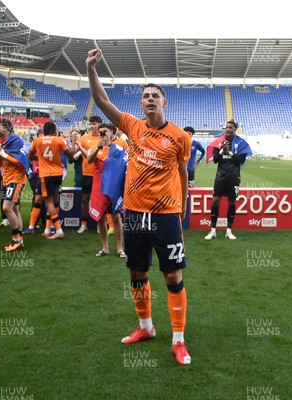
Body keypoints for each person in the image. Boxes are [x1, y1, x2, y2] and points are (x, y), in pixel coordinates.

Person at [86, 48, 192, 365]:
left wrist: (182, 210)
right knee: (137, 271)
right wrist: (91, 69)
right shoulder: (133, 126)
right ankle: (146, 327)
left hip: (166, 216)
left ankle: (179, 340)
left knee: (172, 276)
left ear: (164, 102)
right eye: (145, 96)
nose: (148, 100)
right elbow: (103, 100)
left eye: (154, 96)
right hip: (134, 214)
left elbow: (184, 173)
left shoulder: (179, 137)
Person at [80, 122, 127, 258]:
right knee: (100, 217)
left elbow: (126, 164)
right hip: (99, 186)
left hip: (113, 187)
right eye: (101, 132)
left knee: (116, 217)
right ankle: (105, 247)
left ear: (112, 133)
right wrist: (98, 148)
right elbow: (89, 160)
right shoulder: (95, 147)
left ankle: (119, 248)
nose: (102, 134)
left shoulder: (119, 147)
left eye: (105, 131)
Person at [29, 121, 78, 240]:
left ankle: (58, 230)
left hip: (46, 175)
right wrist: (73, 141)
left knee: (48, 202)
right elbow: (71, 154)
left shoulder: (37, 141)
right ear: (54, 131)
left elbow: (30, 156)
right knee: (55, 200)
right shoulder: (59, 139)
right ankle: (47, 229)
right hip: (58, 173)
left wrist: (41, 158)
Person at [204, 120, 252, 240]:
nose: (228, 129)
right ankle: (213, 230)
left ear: (235, 129)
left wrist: (229, 152)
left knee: (232, 202)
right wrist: (221, 150)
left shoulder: (241, 143)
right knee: (215, 201)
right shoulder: (218, 142)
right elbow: (215, 160)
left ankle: (229, 231)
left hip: (234, 177)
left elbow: (241, 159)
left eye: (230, 127)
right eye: (226, 127)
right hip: (220, 177)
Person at [0, 118, 30, 251]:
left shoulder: (16, 141)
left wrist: (3, 153)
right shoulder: (0, 143)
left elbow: (21, 162)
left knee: (6, 207)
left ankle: (15, 239)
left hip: (16, 179)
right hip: (6, 179)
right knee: (15, 209)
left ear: (6, 128)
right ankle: (20, 239)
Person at [76, 116, 102, 233]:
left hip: (100, 173)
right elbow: (76, 149)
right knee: (85, 198)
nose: (92, 126)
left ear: (100, 125)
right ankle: (83, 224)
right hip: (87, 172)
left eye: (94, 124)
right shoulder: (84, 137)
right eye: (91, 124)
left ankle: (99, 224)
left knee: (100, 199)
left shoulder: (103, 137)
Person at [22, 128, 45, 235]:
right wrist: (31, 173)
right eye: (40, 136)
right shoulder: (33, 146)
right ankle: (34, 223)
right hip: (36, 175)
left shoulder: (48, 146)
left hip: (47, 174)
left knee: (46, 198)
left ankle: (44, 221)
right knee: (37, 197)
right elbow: (29, 160)